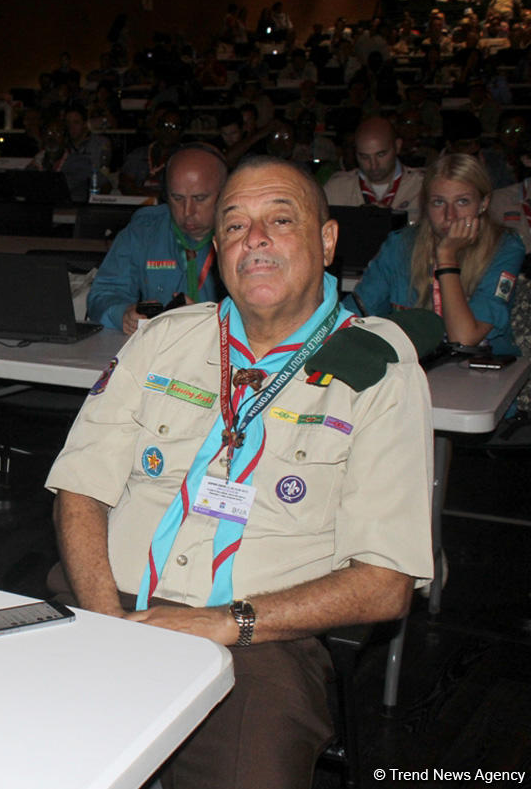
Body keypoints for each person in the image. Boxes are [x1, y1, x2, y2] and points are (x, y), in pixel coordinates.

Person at [49, 155, 434, 788]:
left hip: (259, 636)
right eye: (234, 225)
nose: (254, 238)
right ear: (217, 251)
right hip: (105, 599)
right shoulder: (163, 339)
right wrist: (109, 626)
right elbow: (80, 489)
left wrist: (226, 623)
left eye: (280, 220)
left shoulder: (379, 371)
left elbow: (385, 582)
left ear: (327, 241)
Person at [347, 154, 522, 356]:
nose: (450, 216)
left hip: (484, 365)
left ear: (483, 203)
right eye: (439, 202)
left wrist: (446, 257)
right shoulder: (401, 245)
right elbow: (354, 314)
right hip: (413, 364)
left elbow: (464, 339)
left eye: (462, 202)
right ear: (426, 205)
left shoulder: (505, 247)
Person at [88, 145, 227, 334]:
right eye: (177, 198)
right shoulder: (144, 231)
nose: (188, 211)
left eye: (200, 198)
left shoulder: (247, 235)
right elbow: (103, 294)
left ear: (225, 194)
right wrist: (123, 313)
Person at [323, 117, 424, 222]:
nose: (373, 165)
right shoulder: (337, 188)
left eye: (381, 155)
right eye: (364, 157)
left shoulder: (421, 186)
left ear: (397, 146)